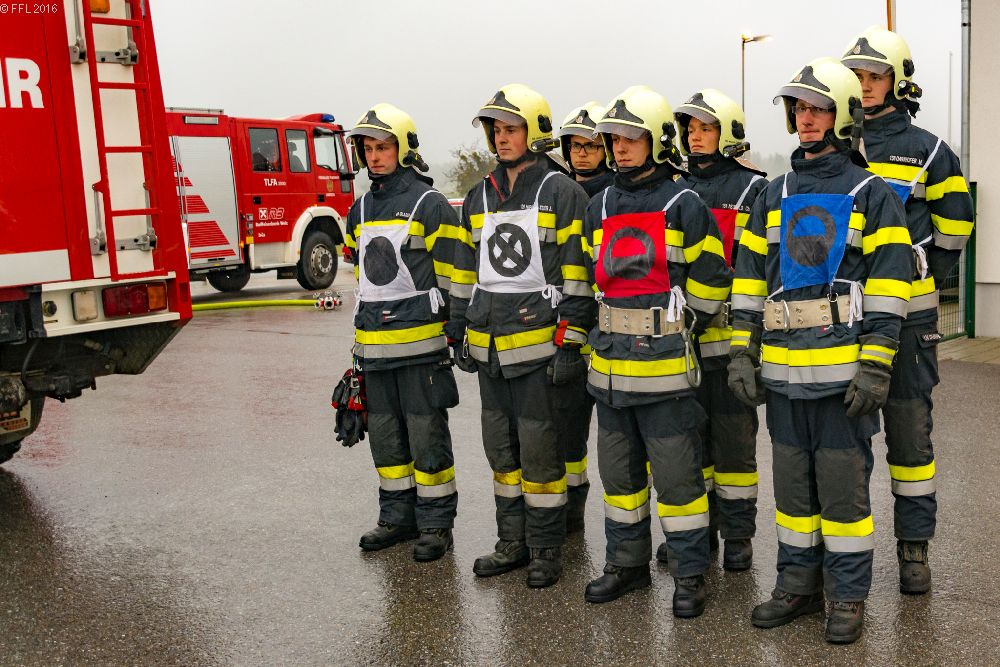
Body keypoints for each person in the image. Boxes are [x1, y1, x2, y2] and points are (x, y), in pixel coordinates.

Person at [730, 58, 913, 644]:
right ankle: (797, 587)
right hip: (784, 376)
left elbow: (889, 286)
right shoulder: (772, 192)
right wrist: (741, 352)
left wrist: (876, 365)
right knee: (792, 492)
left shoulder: (871, 193)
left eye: (818, 109)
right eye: (799, 109)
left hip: (842, 378)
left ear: (842, 115)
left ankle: (848, 595)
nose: (806, 119)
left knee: (841, 490)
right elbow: (748, 281)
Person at [580, 85, 732, 617]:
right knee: (619, 480)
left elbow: (711, 283)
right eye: (613, 139)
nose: (620, 148)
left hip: (665, 374)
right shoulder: (598, 204)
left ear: (659, 141)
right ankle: (626, 565)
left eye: (631, 138)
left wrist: (674, 326)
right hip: (609, 373)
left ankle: (690, 573)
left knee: (678, 479)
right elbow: (586, 281)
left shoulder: (683, 203)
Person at [842, 25, 974, 595]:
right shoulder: (836, 151)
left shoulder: (929, 151)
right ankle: (843, 555)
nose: (864, 85)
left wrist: (917, 277)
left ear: (898, 82)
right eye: (855, 77)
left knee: (910, 437)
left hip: (910, 322)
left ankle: (914, 548)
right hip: (845, 323)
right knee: (844, 445)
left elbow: (956, 228)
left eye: (874, 76)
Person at [453, 84, 593, 588]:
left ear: (534, 132)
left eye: (511, 128)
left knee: (541, 453)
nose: (501, 137)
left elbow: (578, 277)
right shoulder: (479, 195)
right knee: (502, 452)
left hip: (539, 352)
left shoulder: (562, 192)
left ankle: (547, 547)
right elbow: (465, 270)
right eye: (496, 130)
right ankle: (511, 542)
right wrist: (458, 326)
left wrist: (572, 340)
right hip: (490, 350)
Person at [344, 103, 475, 562]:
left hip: (422, 350)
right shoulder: (359, 208)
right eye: (368, 149)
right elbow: (361, 276)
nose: (374, 156)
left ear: (403, 149)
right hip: (374, 350)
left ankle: (436, 524)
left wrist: (456, 329)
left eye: (383, 147)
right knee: (385, 438)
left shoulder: (430, 203)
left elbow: (457, 273)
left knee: (426, 437)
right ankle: (395, 518)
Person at [670, 88, 769, 571]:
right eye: (690, 128)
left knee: (734, 444)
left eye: (705, 128)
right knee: (689, 442)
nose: (695, 136)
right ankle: (700, 531)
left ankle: (738, 534)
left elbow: (759, 268)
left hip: (730, 342)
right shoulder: (674, 189)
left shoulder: (754, 191)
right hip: (682, 342)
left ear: (728, 133)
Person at [543, 102, 613, 533]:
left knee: (623, 440)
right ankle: (570, 514)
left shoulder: (617, 196)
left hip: (610, 335)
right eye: (575, 146)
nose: (582, 154)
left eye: (591, 145)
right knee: (566, 432)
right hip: (566, 332)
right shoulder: (554, 193)